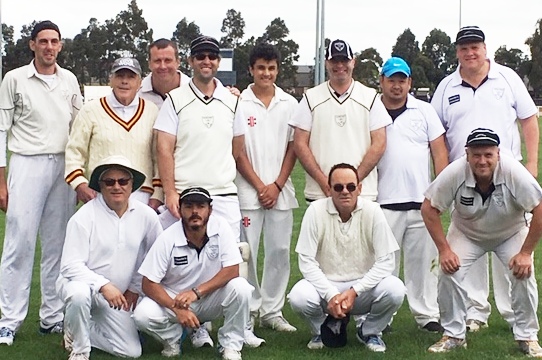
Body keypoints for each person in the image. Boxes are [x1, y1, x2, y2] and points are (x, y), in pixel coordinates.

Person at [153, 35, 262, 347]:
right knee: (186, 265)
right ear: (191, 61)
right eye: (200, 56)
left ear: (218, 62)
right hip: (186, 195)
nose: (206, 62)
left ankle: (238, 329)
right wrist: (170, 192)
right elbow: (164, 148)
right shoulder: (175, 99)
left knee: (229, 262)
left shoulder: (232, 101)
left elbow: (237, 149)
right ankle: (197, 327)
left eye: (211, 57)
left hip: (224, 194)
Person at [431, 25, 540, 332]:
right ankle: (475, 313)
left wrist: (532, 162)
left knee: (513, 249)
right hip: (462, 178)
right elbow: (437, 134)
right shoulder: (446, 86)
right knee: (468, 246)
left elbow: (529, 120)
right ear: (457, 52)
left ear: (484, 48)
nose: (470, 53)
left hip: (508, 178)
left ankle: (512, 315)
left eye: (475, 46)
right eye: (464, 48)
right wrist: (443, 174)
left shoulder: (507, 78)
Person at [421, 128, 542, 357]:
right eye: (476, 155)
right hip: (467, 233)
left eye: (488, 154)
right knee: (448, 272)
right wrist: (444, 250)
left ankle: (527, 336)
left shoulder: (513, 172)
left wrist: (526, 253)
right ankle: (454, 335)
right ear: (467, 155)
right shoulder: (455, 172)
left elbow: (539, 209)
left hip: (511, 231)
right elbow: (429, 209)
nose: (482, 161)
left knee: (523, 272)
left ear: (498, 153)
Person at [0, 20, 83, 345]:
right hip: (27, 164)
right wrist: (2, 181)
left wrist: (78, 175)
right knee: (19, 244)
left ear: (60, 45)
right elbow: (1, 130)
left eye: (55, 41)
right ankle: (8, 320)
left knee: (57, 245)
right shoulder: (14, 79)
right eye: (43, 41)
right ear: (32, 44)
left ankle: (52, 316)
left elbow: (79, 127)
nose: (49, 47)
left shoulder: (70, 80)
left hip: (62, 167)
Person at [288, 163, 405, 352]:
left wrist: (354, 291)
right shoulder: (315, 211)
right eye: (338, 187)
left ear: (359, 189)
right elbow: (306, 261)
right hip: (326, 288)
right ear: (329, 189)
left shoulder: (373, 211)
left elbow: (387, 261)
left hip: (361, 290)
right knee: (299, 297)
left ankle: (369, 331)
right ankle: (321, 330)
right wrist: (331, 294)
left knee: (395, 289)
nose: (345, 192)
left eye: (351, 186)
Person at [57, 156, 162, 360]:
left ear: (132, 186)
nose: (117, 187)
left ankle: (79, 330)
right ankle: (80, 351)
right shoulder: (83, 217)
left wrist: (135, 287)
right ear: (100, 186)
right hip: (83, 287)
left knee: (131, 352)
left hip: (118, 296)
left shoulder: (146, 216)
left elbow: (156, 256)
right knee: (78, 294)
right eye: (109, 182)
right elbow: (70, 266)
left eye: (123, 181)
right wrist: (103, 285)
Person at [133, 187, 253, 360]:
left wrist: (196, 292)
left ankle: (230, 345)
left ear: (210, 210)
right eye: (189, 206)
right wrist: (176, 308)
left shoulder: (221, 227)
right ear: (180, 210)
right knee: (142, 315)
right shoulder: (168, 238)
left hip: (210, 297)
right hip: (176, 299)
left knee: (242, 288)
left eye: (200, 206)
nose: (195, 211)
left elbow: (232, 270)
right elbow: (148, 283)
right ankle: (172, 339)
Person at [375, 57, 448, 332]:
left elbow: (439, 152)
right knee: (384, 264)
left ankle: (427, 315)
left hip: (422, 202)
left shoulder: (425, 111)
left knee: (423, 266)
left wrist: (439, 194)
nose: (396, 86)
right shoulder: (372, 111)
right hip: (383, 202)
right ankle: (382, 316)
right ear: (382, 81)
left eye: (401, 80)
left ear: (410, 83)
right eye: (391, 80)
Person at [234, 43, 299, 334]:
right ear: (251, 69)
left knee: (279, 251)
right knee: (247, 252)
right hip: (248, 192)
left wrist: (277, 185)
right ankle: (248, 309)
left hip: (280, 193)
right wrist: (261, 186)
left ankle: (272, 310)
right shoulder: (238, 102)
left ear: (278, 69)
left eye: (271, 68)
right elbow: (237, 152)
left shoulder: (290, 104)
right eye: (261, 67)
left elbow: (293, 148)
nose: (266, 73)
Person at [289, 39, 391, 202]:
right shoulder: (310, 98)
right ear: (326, 63)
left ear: (353, 61)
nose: (340, 65)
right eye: (334, 61)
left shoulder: (370, 97)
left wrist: (352, 183)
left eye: (344, 60)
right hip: (320, 194)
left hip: (362, 194)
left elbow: (379, 143)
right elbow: (300, 143)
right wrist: (325, 182)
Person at [65, 57, 162, 209]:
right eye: (119, 76)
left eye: (131, 77)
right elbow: (74, 152)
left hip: (142, 194)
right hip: (102, 193)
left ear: (140, 82)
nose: (125, 81)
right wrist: (80, 184)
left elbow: (159, 158)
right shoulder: (91, 110)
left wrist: (158, 194)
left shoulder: (152, 111)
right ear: (110, 80)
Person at [138, 38, 191, 108]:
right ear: (149, 64)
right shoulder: (137, 93)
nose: (163, 66)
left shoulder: (194, 90)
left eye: (168, 60)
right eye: (157, 61)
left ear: (178, 62)